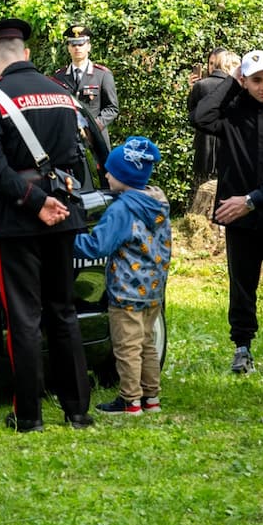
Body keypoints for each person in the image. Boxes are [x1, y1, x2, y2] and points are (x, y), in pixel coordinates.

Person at [0, 17, 93, 432]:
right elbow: (79, 155)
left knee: (23, 317)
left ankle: (28, 416)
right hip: (64, 214)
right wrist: (52, 200)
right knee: (63, 312)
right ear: (26, 54)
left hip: (18, 219)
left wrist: (33, 201)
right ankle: (77, 410)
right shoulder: (62, 93)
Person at [193, 49, 263, 374]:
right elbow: (201, 117)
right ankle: (242, 347)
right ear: (245, 80)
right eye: (256, 80)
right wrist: (231, 85)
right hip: (240, 218)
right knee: (242, 283)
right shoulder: (233, 115)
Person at [73, 136, 171, 416]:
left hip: (126, 290)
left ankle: (130, 401)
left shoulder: (122, 209)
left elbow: (96, 246)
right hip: (152, 289)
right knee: (146, 343)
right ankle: (151, 398)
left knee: (126, 347)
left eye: (110, 171)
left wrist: (67, 239)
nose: (105, 174)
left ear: (124, 175)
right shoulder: (158, 202)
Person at [50, 25, 119, 143]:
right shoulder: (59, 77)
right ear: (68, 48)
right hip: (68, 140)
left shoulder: (102, 75)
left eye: (81, 44)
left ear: (89, 47)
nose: (77, 48)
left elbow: (112, 108)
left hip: (96, 140)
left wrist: (93, 127)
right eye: (73, 45)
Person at [187, 48, 236, 190]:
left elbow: (192, 114)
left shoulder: (202, 86)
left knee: (200, 191)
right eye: (210, 63)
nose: (212, 67)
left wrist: (194, 89)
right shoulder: (237, 86)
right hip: (228, 150)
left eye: (215, 63)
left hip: (204, 149)